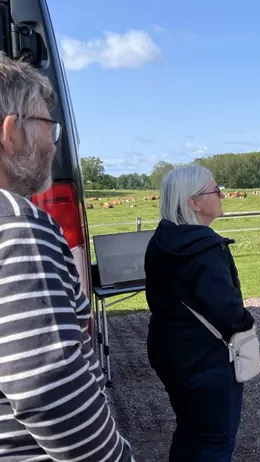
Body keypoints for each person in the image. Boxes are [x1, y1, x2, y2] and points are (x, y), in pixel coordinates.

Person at [0, 55, 134, 460]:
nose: (53, 141)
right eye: (47, 126)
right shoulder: (18, 226)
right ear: (10, 132)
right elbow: (48, 387)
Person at [144, 164, 255, 460]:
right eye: (215, 190)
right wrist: (247, 324)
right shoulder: (205, 248)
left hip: (170, 355)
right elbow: (229, 311)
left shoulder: (160, 242)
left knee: (189, 430)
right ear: (193, 202)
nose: (222, 195)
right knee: (216, 442)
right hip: (207, 361)